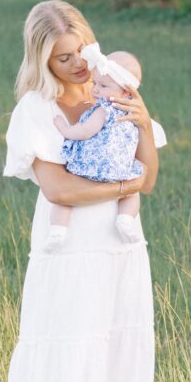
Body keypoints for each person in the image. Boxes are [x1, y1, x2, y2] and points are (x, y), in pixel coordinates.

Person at [0, 0, 167, 382]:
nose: (76, 66)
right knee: (63, 370)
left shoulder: (116, 92)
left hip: (119, 252)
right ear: (42, 60)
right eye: (61, 58)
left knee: (109, 364)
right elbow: (60, 189)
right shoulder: (36, 111)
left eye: (79, 53)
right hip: (68, 256)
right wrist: (121, 188)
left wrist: (140, 125)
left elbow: (151, 176)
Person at [46, 43, 146, 251]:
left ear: (126, 91)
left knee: (64, 200)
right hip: (120, 170)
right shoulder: (131, 113)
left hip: (93, 165)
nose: (96, 90)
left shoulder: (103, 110)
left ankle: (58, 230)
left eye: (104, 86)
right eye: (96, 83)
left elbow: (85, 131)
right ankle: (125, 219)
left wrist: (64, 128)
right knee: (132, 194)